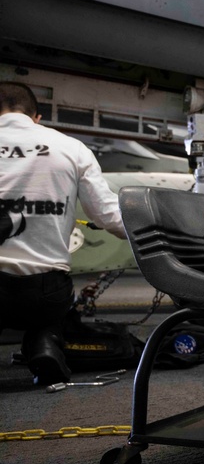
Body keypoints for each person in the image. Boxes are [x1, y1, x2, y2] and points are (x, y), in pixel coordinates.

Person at [0, 81, 127, 385]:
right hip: (46, 292)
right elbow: (110, 217)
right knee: (51, 308)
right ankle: (44, 344)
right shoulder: (71, 148)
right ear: (37, 117)